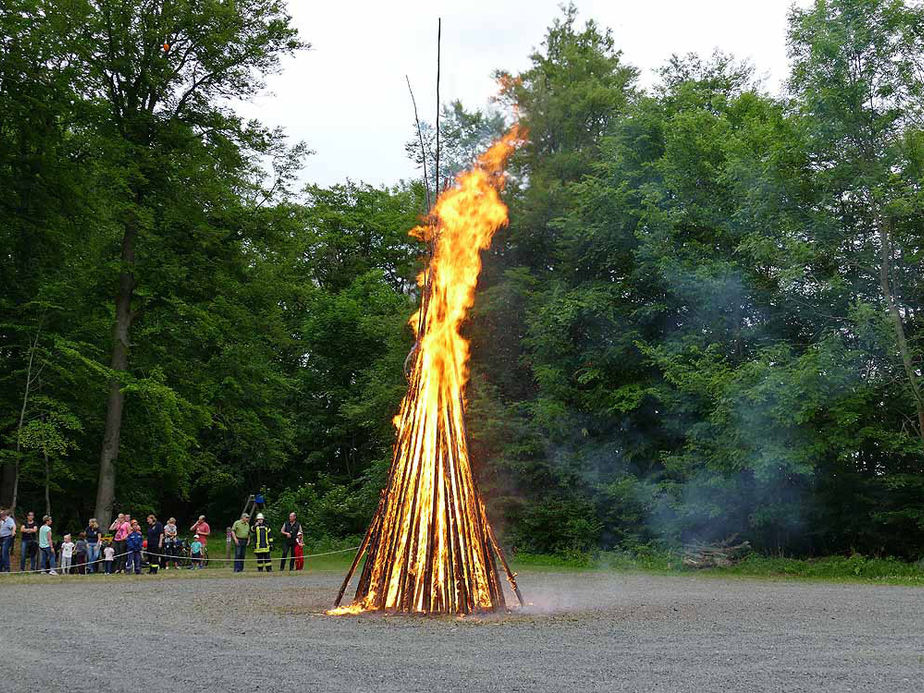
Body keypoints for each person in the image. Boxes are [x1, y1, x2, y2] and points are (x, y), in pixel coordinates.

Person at [0, 508, 16, 573]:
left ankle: (7, 569)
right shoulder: (1, 521)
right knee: (1, 554)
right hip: (1, 538)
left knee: (4, 552)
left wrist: (13, 531)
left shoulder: (9, 520)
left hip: (7, 538)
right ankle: (1, 569)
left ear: (4, 515)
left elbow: (13, 526)